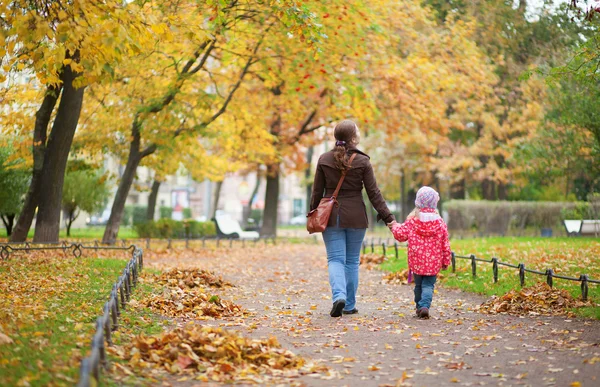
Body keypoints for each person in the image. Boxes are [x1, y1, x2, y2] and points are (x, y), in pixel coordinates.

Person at [310, 119, 396, 317]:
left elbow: (316, 192)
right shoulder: (362, 161)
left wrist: (313, 213)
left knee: (335, 260)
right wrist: (388, 218)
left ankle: (338, 296)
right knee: (351, 261)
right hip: (357, 217)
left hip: (331, 217)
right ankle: (349, 305)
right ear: (354, 138)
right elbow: (374, 194)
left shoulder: (324, 159)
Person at [390, 186, 451, 319]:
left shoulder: (412, 221)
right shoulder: (440, 223)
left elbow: (400, 235)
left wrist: (394, 226)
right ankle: (424, 306)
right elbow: (445, 244)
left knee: (418, 285)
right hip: (433, 263)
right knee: (428, 285)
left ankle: (419, 306)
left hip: (417, 262)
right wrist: (446, 260)